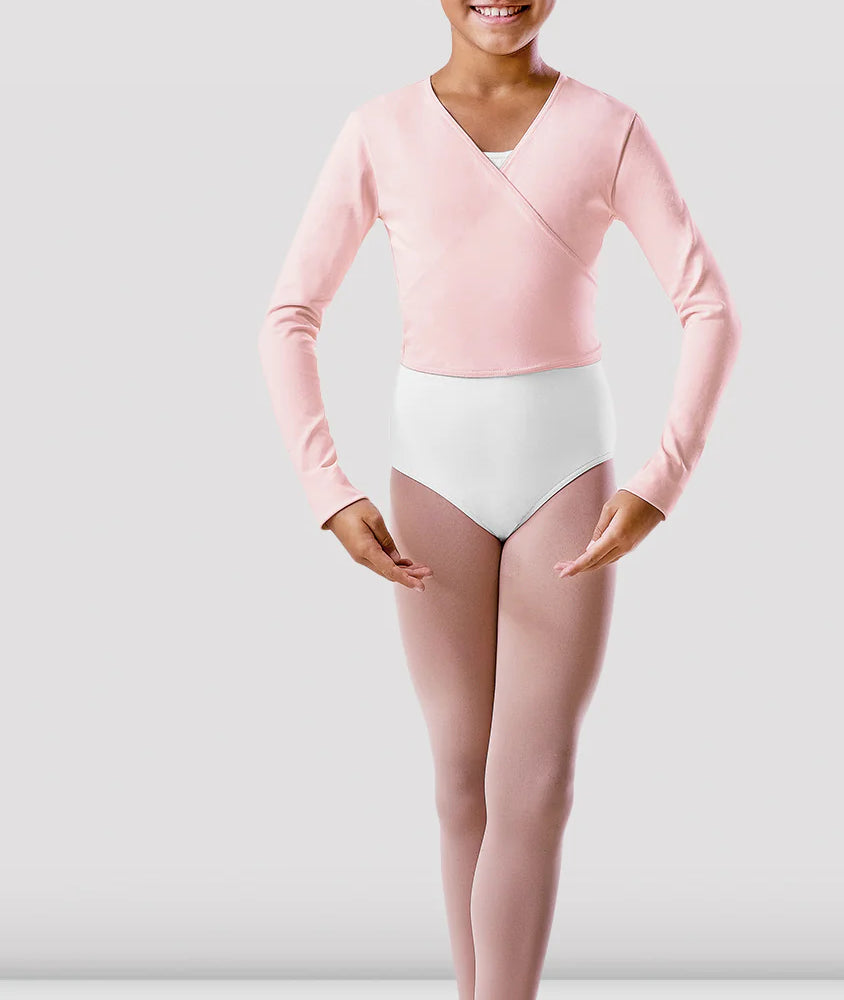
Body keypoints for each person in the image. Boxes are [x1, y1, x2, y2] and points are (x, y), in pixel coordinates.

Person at [257, 2, 741, 996]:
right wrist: (327, 489)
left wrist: (663, 478)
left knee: (536, 783)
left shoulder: (607, 127)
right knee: (458, 778)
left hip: (565, 473)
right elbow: (289, 314)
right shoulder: (378, 130)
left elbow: (708, 309)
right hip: (431, 473)